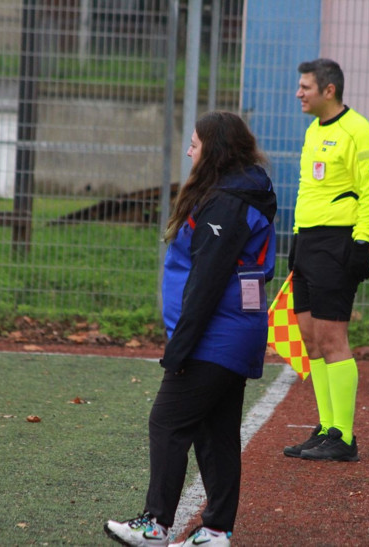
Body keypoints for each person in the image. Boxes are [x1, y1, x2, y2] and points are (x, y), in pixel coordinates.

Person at [104, 111, 277, 547]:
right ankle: (216, 531)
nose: (188, 151)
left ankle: (156, 524)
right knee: (215, 434)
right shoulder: (238, 193)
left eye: (195, 143)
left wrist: (180, 347)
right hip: (233, 330)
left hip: (217, 335)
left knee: (167, 422)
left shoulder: (227, 202)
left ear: (213, 150)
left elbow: (206, 281)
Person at [282, 58, 369, 462]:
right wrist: (295, 238)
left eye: (305, 87)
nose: (298, 93)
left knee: (331, 339)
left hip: (337, 244)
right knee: (309, 338)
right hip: (307, 242)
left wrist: (362, 244)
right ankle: (327, 428)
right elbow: (311, 192)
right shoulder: (312, 131)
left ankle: (344, 437)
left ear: (329, 90)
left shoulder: (359, 130)